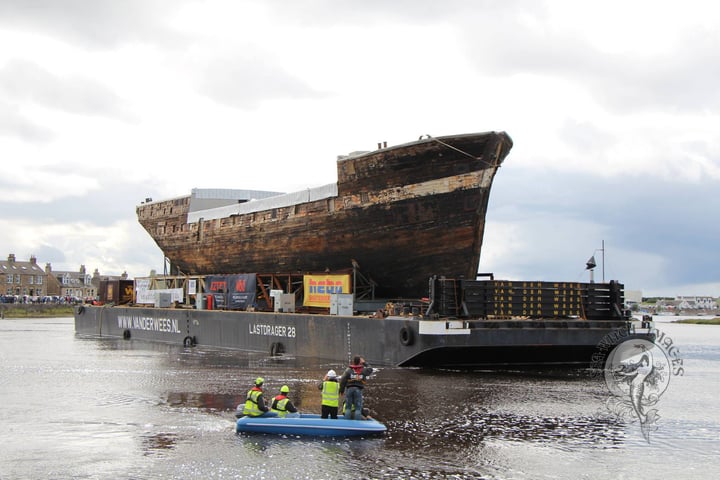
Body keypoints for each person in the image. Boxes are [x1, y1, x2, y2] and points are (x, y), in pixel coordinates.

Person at [339, 355, 373, 420]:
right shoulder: (363, 370)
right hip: (358, 389)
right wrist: (364, 363)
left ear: (353, 361)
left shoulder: (348, 370)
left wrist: (341, 390)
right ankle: (357, 422)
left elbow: (343, 380)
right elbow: (370, 369)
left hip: (349, 389)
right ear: (360, 362)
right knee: (358, 408)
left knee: (348, 407)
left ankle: (347, 421)